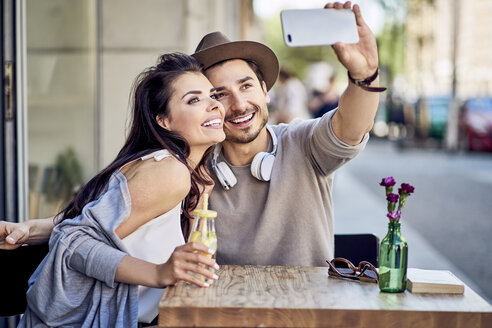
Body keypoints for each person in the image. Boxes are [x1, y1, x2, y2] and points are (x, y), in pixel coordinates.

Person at [1, 1, 384, 268]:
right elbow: (101, 216)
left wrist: (364, 76)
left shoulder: (303, 143)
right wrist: (31, 229)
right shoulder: (187, 169)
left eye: (247, 86)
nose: (236, 104)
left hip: (305, 313)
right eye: (218, 94)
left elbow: (352, 126)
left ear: (266, 92)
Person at [17, 53, 224, 327]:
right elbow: (73, 240)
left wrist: (32, 229)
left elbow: (94, 220)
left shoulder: (192, 176)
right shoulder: (170, 171)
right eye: (194, 99)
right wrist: (159, 273)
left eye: (212, 95)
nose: (214, 106)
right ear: (164, 120)